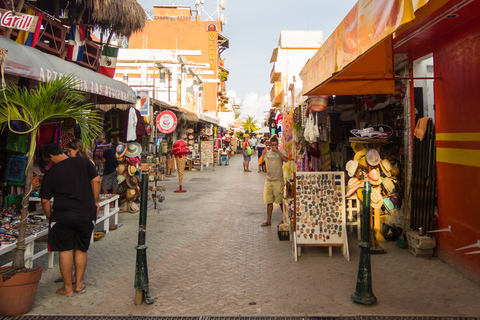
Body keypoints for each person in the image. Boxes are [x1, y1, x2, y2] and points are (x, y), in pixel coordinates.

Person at [40, 143, 101, 296]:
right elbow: (97, 181)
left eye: (49, 160)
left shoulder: (51, 172)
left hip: (63, 215)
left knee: (65, 250)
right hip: (85, 213)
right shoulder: (84, 162)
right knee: (81, 248)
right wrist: (94, 201)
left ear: (51, 157)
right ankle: (79, 284)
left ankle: (67, 288)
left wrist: (50, 217)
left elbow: (45, 201)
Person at [260, 135, 287, 227]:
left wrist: (278, 151)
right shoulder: (267, 153)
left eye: (275, 145)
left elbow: (286, 160)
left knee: (280, 201)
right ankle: (268, 220)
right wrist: (262, 154)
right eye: (272, 145)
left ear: (278, 144)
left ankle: (285, 219)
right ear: (270, 145)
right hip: (269, 180)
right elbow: (259, 163)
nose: (274, 147)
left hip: (278, 180)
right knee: (269, 200)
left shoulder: (282, 152)